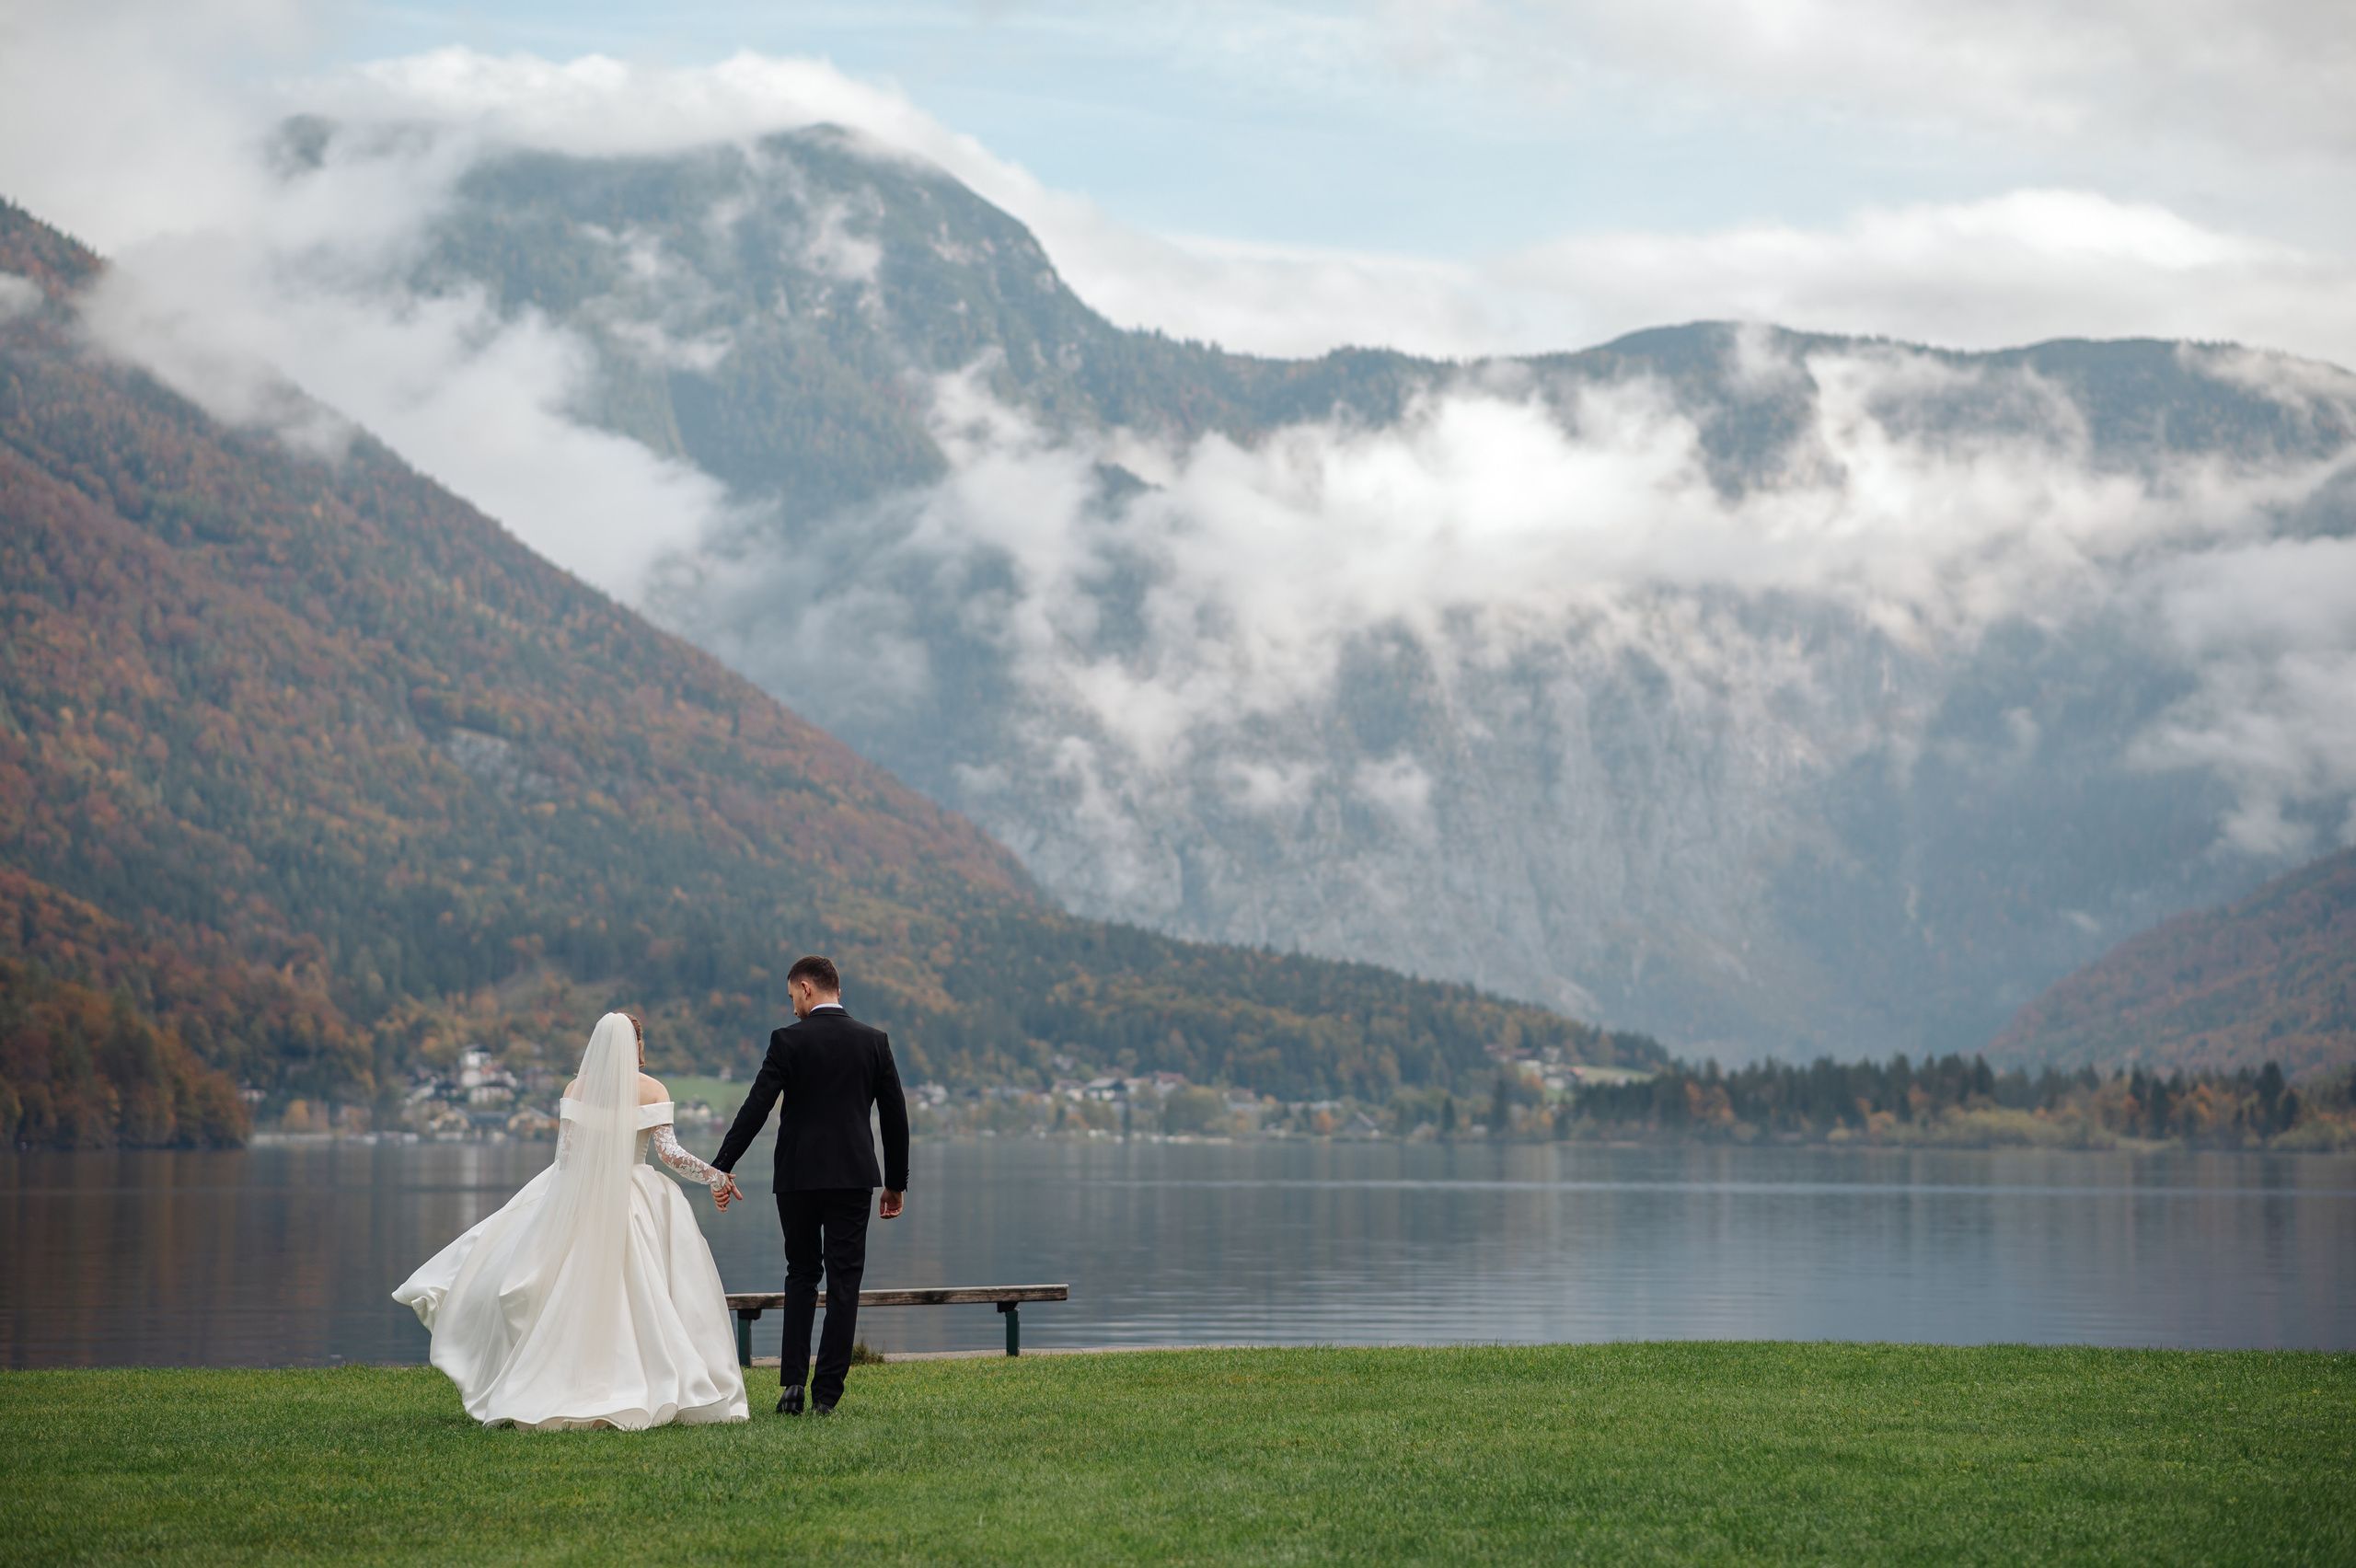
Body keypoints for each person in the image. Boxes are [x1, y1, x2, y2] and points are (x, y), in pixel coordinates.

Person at [391, 1012, 749, 1430]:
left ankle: (573, 1372)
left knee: (574, 1287)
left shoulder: (575, 1089)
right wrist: (714, 1176)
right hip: (639, 1196)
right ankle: (648, 1375)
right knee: (643, 1288)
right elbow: (670, 1155)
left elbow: (566, 1156)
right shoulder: (652, 1089)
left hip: (583, 1193)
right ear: (635, 1045)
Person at [710, 956, 909, 1415]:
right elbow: (895, 1116)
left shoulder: (787, 1040)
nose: (792, 1007)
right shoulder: (874, 1041)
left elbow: (756, 1107)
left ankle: (793, 1385)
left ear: (806, 988)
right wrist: (895, 1183)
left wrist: (722, 1166)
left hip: (797, 1177)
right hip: (853, 1178)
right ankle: (826, 1396)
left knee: (800, 1273)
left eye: (792, 997)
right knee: (844, 1282)